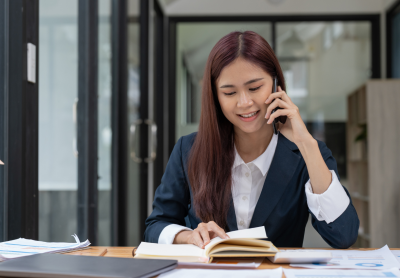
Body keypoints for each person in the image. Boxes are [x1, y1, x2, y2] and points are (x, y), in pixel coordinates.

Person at [144, 31, 359, 249]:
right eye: (229, 93)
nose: (244, 102)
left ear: (276, 84)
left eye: (255, 88)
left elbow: (344, 235)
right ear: (215, 97)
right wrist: (187, 236)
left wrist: (306, 144)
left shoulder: (307, 153)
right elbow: (156, 225)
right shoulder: (188, 150)